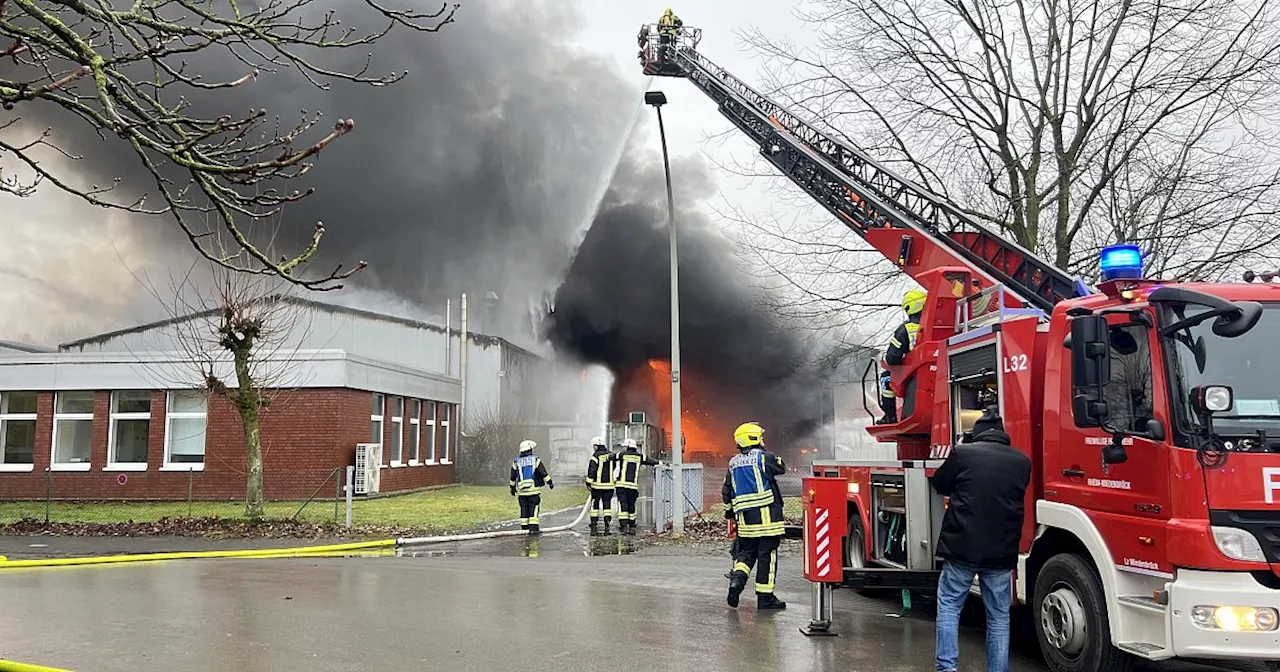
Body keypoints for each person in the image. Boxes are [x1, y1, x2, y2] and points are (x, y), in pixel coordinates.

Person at [930, 408, 1031, 672]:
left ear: (977, 434)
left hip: (962, 547)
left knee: (950, 606)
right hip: (1001, 552)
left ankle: (947, 668)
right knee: (998, 617)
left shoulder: (964, 453)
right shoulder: (1022, 461)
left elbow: (940, 482)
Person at [722, 422, 787, 610]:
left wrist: (729, 512)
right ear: (753, 438)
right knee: (767, 555)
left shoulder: (733, 463)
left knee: (746, 555)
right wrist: (769, 453)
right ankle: (765, 598)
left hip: (745, 522)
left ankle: (736, 583)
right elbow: (781, 467)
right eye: (760, 437)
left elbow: (726, 491)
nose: (763, 440)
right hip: (767, 520)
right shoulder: (764, 458)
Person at [878, 288, 927, 424]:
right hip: (938, 372)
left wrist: (884, 358)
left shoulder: (905, 329)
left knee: (886, 378)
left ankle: (890, 417)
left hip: (914, 375)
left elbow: (892, 359)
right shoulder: (937, 324)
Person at [613, 438, 659, 535]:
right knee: (631, 505)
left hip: (621, 485)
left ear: (628, 446)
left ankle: (624, 525)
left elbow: (611, 457)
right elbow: (651, 461)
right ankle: (632, 524)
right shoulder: (640, 457)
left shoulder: (622, 455)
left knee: (623, 505)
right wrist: (662, 464)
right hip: (632, 487)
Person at [509, 439, 554, 535]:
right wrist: (550, 482)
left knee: (524, 509)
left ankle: (524, 529)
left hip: (521, 492)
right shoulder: (535, 460)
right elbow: (543, 473)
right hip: (533, 491)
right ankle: (533, 529)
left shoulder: (516, 462)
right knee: (533, 509)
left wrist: (512, 488)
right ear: (530, 450)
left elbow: (513, 476)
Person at [584, 436, 616, 536]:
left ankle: (594, 522)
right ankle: (607, 522)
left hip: (597, 486)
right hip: (609, 486)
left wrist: (588, 483)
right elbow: (614, 467)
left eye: (594, 446)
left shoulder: (595, 456)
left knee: (595, 504)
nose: (594, 448)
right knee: (607, 504)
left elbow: (592, 470)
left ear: (597, 446)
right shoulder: (611, 455)